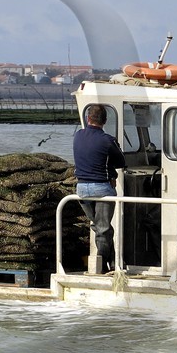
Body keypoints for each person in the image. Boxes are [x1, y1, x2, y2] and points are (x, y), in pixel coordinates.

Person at [73, 103, 125, 273]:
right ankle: (102, 266)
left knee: (99, 227)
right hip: (101, 189)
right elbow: (121, 162)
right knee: (103, 228)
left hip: (81, 189)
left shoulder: (77, 136)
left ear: (88, 118)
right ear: (105, 121)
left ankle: (113, 262)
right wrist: (111, 175)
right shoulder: (107, 140)